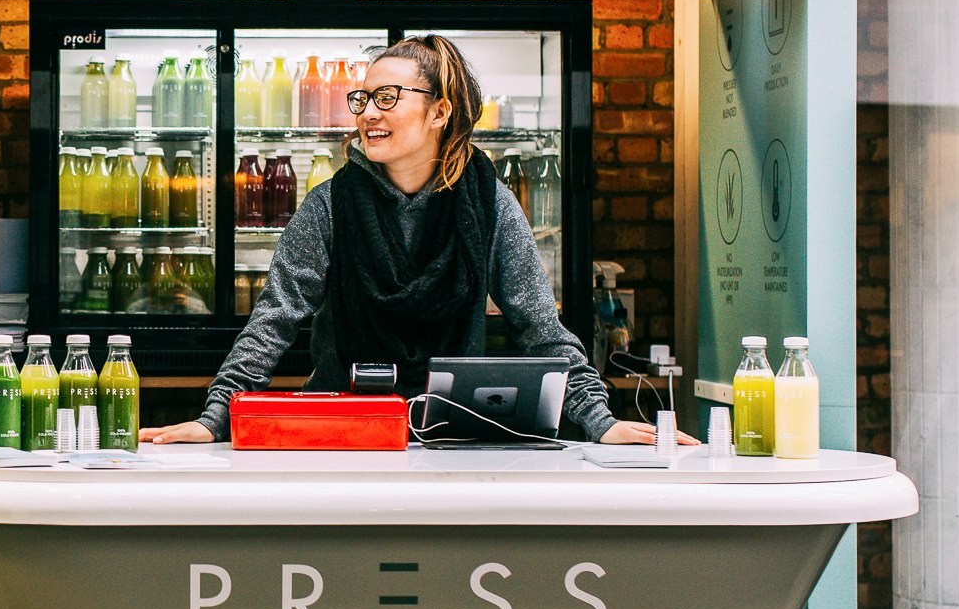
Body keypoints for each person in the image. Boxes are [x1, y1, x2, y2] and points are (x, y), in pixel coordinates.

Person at [141, 34, 689, 447]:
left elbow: (543, 331)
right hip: (344, 434)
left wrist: (602, 421)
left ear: (439, 111)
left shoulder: (490, 204)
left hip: (454, 435)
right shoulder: (329, 205)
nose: (368, 113)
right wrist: (212, 419)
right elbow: (272, 323)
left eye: (387, 97)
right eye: (362, 99)